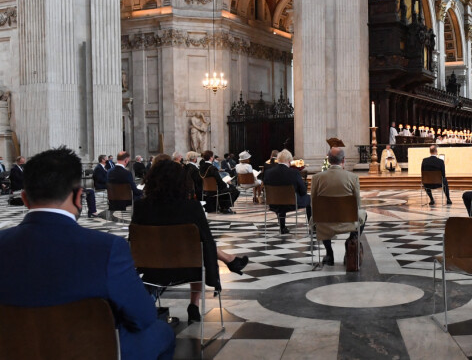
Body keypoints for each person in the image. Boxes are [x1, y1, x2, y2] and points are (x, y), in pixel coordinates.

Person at [0, 147, 175, 360]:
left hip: (15, 350)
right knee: (162, 332)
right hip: (90, 351)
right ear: (79, 197)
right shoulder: (108, 248)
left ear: (25, 199)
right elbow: (143, 317)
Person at [131, 159, 248, 325]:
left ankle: (230, 260)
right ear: (181, 181)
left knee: (194, 247)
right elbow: (206, 240)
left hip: (151, 267)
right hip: (187, 267)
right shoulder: (192, 207)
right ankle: (194, 304)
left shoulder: (141, 206)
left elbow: (136, 239)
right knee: (199, 247)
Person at [310, 147, 367, 266]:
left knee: (316, 217)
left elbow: (313, 202)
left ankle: (329, 253)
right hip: (348, 221)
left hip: (323, 221)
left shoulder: (316, 178)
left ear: (329, 160)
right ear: (343, 160)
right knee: (363, 214)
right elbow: (357, 203)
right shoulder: (353, 177)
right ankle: (352, 240)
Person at [262, 149, 311, 235]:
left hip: (273, 203)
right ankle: (312, 227)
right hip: (292, 203)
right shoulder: (294, 173)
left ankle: (282, 227)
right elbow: (303, 191)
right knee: (310, 199)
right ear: (289, 161)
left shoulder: (268, 173)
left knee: (280, 198)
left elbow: (265, 187)